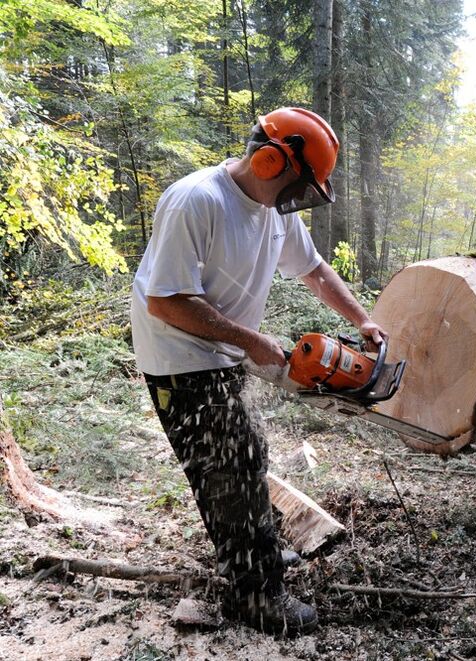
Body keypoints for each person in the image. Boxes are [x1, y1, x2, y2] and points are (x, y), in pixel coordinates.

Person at [129, 107, 387, 635]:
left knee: (247, 454)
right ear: (270, 161)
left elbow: (313, 270)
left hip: (222, 351)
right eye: (297, 184)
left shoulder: (275, 211)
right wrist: (253, 341)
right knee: (227, 470)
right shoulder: (196, 200)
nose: (298, 198)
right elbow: (166, 302)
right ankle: (254, 595)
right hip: (178, 359)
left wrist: (362, 319)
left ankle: (256, 551)